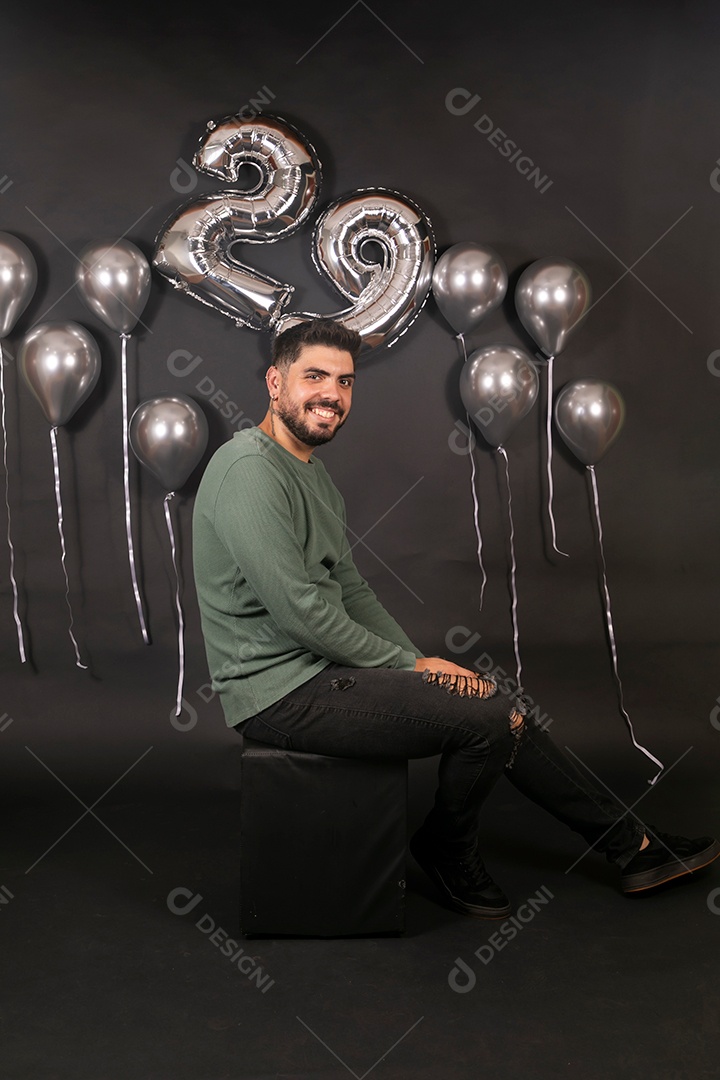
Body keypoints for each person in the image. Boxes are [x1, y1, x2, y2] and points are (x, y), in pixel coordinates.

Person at [191, 318, 719, 919]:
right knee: (485, 716)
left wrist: (419, 668)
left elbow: (352, 590)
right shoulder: (249, 471)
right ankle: (448, 845)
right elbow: (301, 613)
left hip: (323, 672)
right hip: (277, 694)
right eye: (314, 376)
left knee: (502, 708)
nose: (332, 395)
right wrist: (411, 665)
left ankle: (633, 844)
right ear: (274, 381)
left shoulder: (313, 475)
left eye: (345, 381)